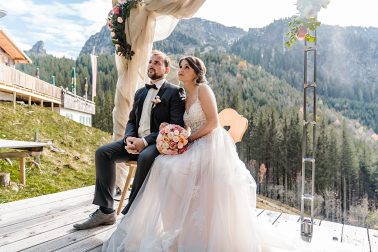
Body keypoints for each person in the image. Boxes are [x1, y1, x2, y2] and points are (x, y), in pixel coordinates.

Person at [102, 56, 357, 252]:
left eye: (184, 67)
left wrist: (187, 139)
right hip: (194, 141)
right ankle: (174, 225)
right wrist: (176, 137)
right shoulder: (185, 94)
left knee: (169, 169)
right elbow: (185, 123)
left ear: (195, 72)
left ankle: (197, 229)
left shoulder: (203, 90)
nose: (180, 71)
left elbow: (212, 123)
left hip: (211, 144)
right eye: (179, 67)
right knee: (164, 167)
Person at [73, 50, 185, 230]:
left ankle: (131, 214)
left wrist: (145, 142)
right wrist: (130, 138)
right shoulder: (140, 92)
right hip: (135, 140)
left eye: (157, 62)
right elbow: (132, 120)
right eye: (150, 61)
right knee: (103, 153)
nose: (151, 65)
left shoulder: (174, 92)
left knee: (145, 157)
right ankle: (106, 211)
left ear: (165, 70)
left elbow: (176, 126)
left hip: (157, 143)